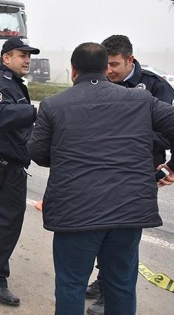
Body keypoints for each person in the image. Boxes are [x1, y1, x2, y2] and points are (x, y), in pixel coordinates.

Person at [28, 42, 174, 315]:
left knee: (71, 285)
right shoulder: (140, 100)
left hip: (75, 213)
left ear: (73, 70)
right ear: (106, 68)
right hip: (128, 212)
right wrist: (170, 167)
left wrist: (65, 159)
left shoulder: (53, 105)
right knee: (120, 284)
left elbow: (37, 152)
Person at [83, 35, 174, 315]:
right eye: (105, 65)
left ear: (130, 61)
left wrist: (170, 167)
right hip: (102, 173)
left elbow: (166, 130)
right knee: (102, 230)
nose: (108, 72)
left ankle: (110, 297)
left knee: (124, 238)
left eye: (114, 65)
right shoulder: (100, 82)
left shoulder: (156, 86)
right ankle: (102, 280)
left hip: (138, 174)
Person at [0, 37, 39, 305]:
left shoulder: (11, 82)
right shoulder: (2, 83)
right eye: (21, 55)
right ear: (6, 58)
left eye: (28, 56)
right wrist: (33, 111)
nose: (26, 60)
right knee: (6, 221)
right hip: (2, 165)